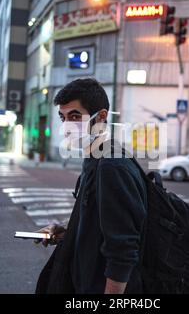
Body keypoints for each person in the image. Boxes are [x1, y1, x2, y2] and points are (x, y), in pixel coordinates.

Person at [35, 78, 147, 294]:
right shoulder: (95, 159)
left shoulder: (111, 166)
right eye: (63, 117)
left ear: (101, 117)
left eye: (75, 116)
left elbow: (123, 249)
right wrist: (69, 231)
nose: (67, 126)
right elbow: (104, 224)